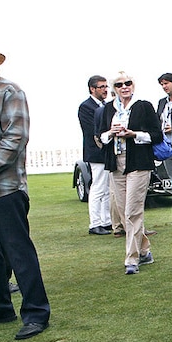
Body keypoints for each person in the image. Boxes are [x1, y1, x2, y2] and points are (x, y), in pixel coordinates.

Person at [0, 49, 53, 340]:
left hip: (6, 189)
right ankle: (1, 309)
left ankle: (36, 313)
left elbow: (15, 138)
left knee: (19, 253)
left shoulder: (9, 91)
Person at [96, 72, 162, 274]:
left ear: (133, 85)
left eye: (128, 83)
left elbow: (156, 134)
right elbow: (99, 137)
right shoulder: (108, 109)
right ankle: (144, 250)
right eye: (119, 84)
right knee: (124, 211)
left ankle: (131, 259)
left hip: (139, 163)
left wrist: (134, 134)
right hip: (116, 163)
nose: (124, 87)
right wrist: (111, 132)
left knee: (133, 210)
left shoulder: (144, 106)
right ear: (113, 88)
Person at [78, 75, 112, 234]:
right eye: (102, 87)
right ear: (92, 89)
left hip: (105, 151)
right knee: (98, 187)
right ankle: (95, 223)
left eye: (106, 86)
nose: (106, 89)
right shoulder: (86, 107)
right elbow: (93, 130)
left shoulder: (105, 105)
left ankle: (106, 221)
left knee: (106, 188)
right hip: (96, 151)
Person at [156, 72, 172, 179]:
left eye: (166, 83)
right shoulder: (162, 102)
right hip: (166, 146)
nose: (164, 86)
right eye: (162, 84)